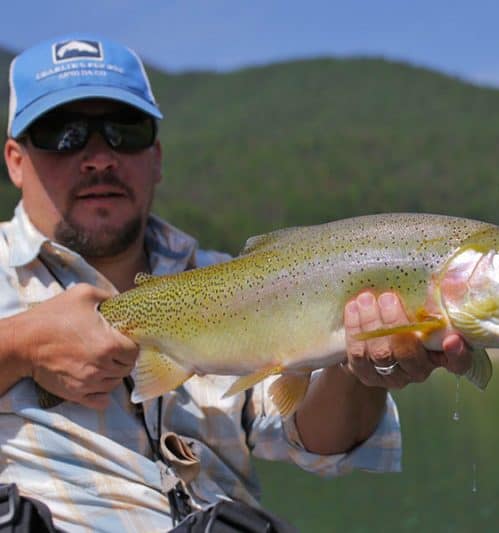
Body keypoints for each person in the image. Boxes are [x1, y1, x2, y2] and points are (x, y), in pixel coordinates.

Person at [0, 34, 471, 532]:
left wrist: (357, 365)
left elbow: (318, 441)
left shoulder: (240, 279)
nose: (99, 157)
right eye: (62, 133)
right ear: (15, 160)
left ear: (156, 157)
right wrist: (21, 344)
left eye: (124, 130)